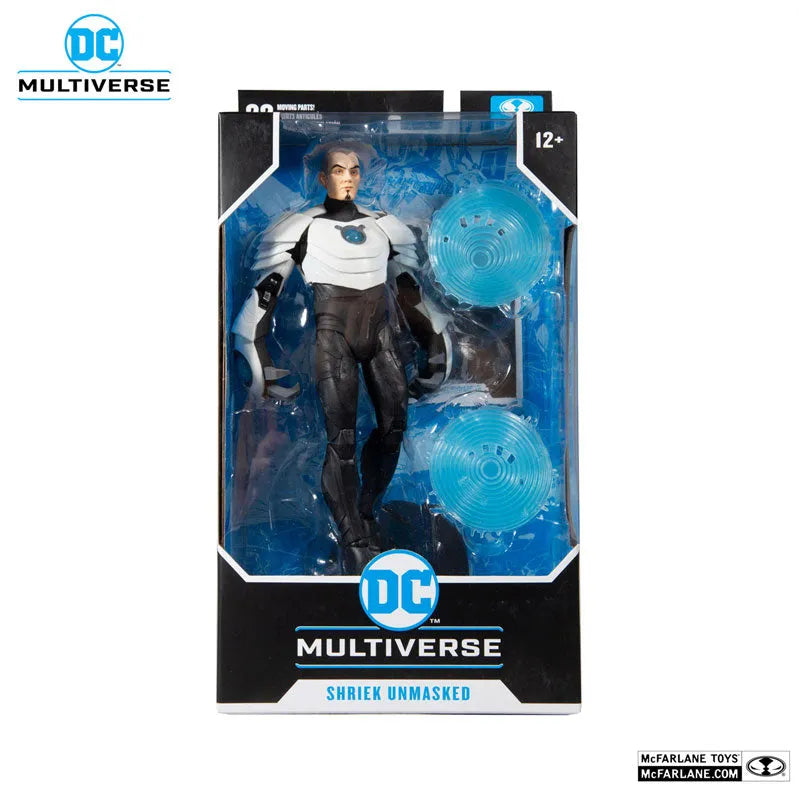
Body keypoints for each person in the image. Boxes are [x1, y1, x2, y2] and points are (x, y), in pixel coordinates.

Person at [233, 144, 447, 573]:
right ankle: (353, 538)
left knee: (393, 430)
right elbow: (265, 293)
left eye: (353, 170)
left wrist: (435, 343)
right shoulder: (299, 227)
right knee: (342, 440)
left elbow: (411, 292)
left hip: (381, 335)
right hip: (333, 337)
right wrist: (252, 349)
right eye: (337, 170)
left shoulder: (386, 226)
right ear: (322, 178)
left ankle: (366, 512)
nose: (347, 178)